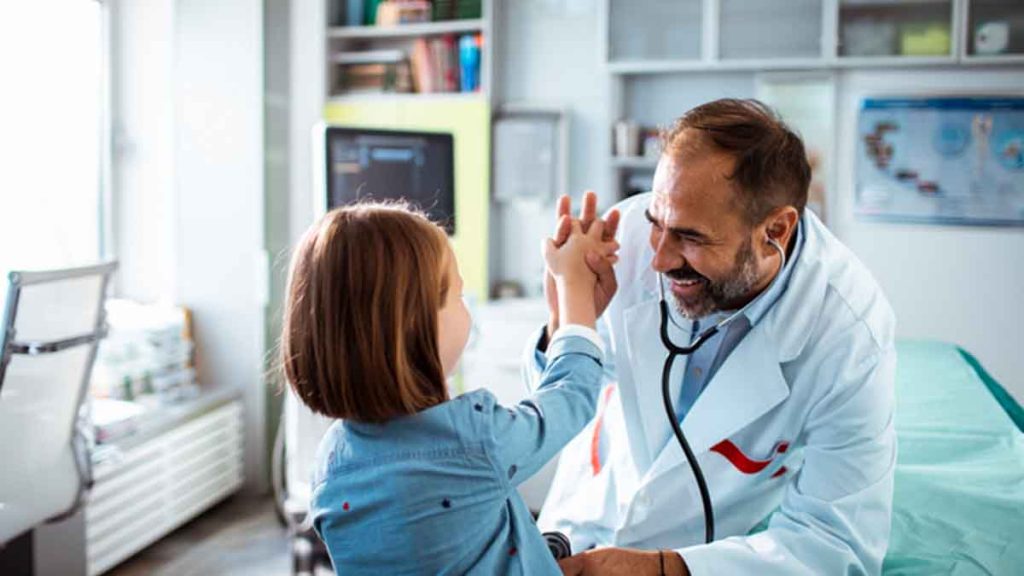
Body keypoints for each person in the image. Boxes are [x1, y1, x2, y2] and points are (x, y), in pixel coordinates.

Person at [528, 99, 897, 575]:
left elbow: (836, 542)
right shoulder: (629, 241)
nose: (658, 259)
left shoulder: (849, 334)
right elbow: (564, 396)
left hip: (706, 557)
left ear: (775, 230)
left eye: (691, 238)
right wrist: (567, 316)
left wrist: (661, 569)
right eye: (657, 225)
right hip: (585, 517)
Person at [280, 201, 618, 575]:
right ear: (416, 324)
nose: (466, 307)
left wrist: (559, 318)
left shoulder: (332, 461)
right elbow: (572, 395)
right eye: (458, 295)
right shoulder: (472, 440)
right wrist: (575, 290)